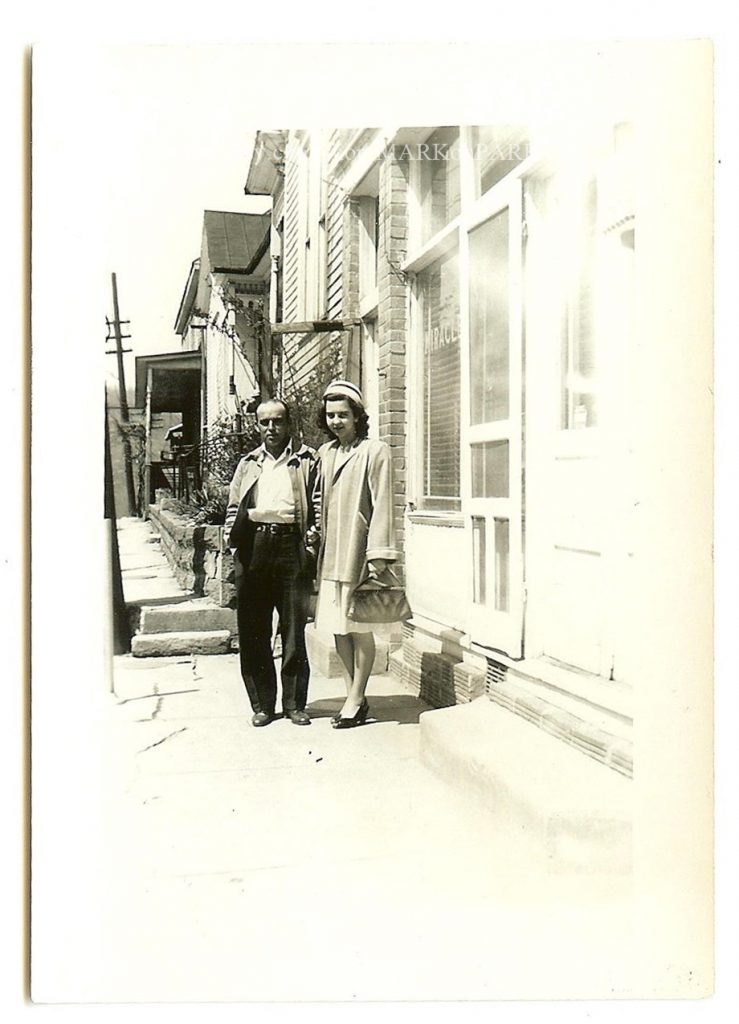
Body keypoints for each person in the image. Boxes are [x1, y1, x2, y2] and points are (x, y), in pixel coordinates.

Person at [224, 399, 319, 727]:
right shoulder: (247, 463)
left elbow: (317, 503)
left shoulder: (306, 460)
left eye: (277, 421)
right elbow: (233, 506)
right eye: (264, 422)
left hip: (291, 546)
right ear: (256, 426)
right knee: (253, 629)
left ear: (288, 423)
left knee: (294, 629)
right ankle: (263, 704)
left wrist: (312, 538)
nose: (271, 428)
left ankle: (294, 704)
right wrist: (231, 544)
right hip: (253, 547)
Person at [314, 380, 400, 729]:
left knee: (358, 627)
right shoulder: (326, 453)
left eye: (343, 415)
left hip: (358, 550)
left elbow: (383, 504)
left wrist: (378, 554)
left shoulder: (374, 450)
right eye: (331, 415)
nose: (336, 421)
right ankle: (354, 696)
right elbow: (319, 498)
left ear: (357, 417)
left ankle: (357, 695)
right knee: (338, 628)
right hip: (330, 552)